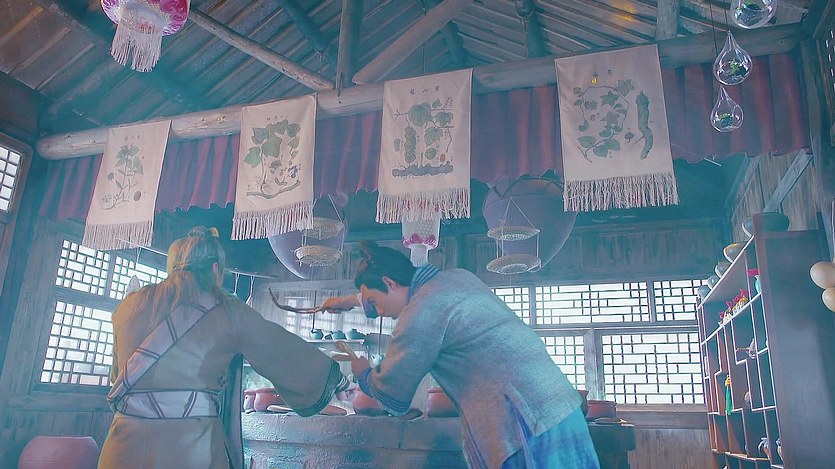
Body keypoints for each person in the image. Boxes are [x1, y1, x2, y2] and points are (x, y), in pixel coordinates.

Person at [323, 241, 599, 469]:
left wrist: (363, 372)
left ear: (389, 282)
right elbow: (387, 294)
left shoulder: (419, 313)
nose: (379, 312)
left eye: (374, 302)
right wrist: (348, 301)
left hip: (523, 424)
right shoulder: (457, 278)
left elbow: (392, 394)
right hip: (559, 408)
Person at [99, 227, 350, 469]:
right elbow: (279, 349)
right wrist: (336, 379)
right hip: (188, 445)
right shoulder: (228, 309)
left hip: (124, 445)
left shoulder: (128, 306)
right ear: (215, 268)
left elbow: (117, 375)